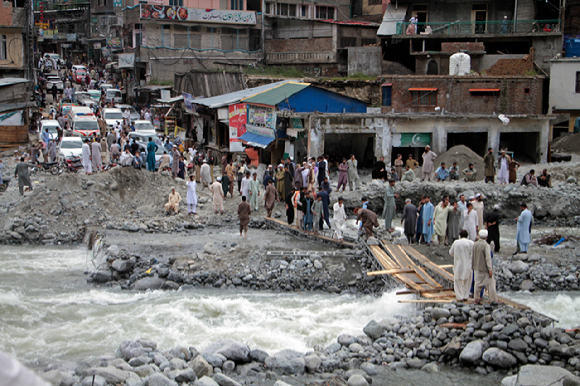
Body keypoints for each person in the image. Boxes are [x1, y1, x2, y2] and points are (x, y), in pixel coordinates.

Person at [472, 229, 498, 305]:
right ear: (486, 237)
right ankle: (493, 299)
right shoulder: (486, 245)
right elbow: (488, 258)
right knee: (491, 283)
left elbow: (472, 255)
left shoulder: (475, 244)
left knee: (477, 284)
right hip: (484, 268)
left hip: (476, 267)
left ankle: (476, 299)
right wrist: (490, 269)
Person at [449, 230, 474, 302]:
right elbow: (472, 254)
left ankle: (459, 296)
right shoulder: (471, 243)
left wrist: (456, 256)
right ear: (467, 235)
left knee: (457, 280)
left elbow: (451, 252)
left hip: (458, 263)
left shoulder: (456, 242)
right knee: (468, 280)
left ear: (460, 236)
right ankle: (466, 295)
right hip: (468, 263)